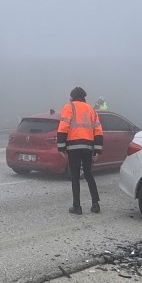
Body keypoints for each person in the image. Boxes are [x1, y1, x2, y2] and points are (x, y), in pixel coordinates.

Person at [56, 86, 103, 215]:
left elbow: (63, 126)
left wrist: (61, 146)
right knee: (88, 174)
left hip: (73, 147)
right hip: (88, 147)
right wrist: (97, 151)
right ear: (83, 97)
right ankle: (95, 204)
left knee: (75, 177)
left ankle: (77, 207)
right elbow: (98, 130)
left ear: (72, 97)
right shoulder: (91, 109)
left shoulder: (69, 107)